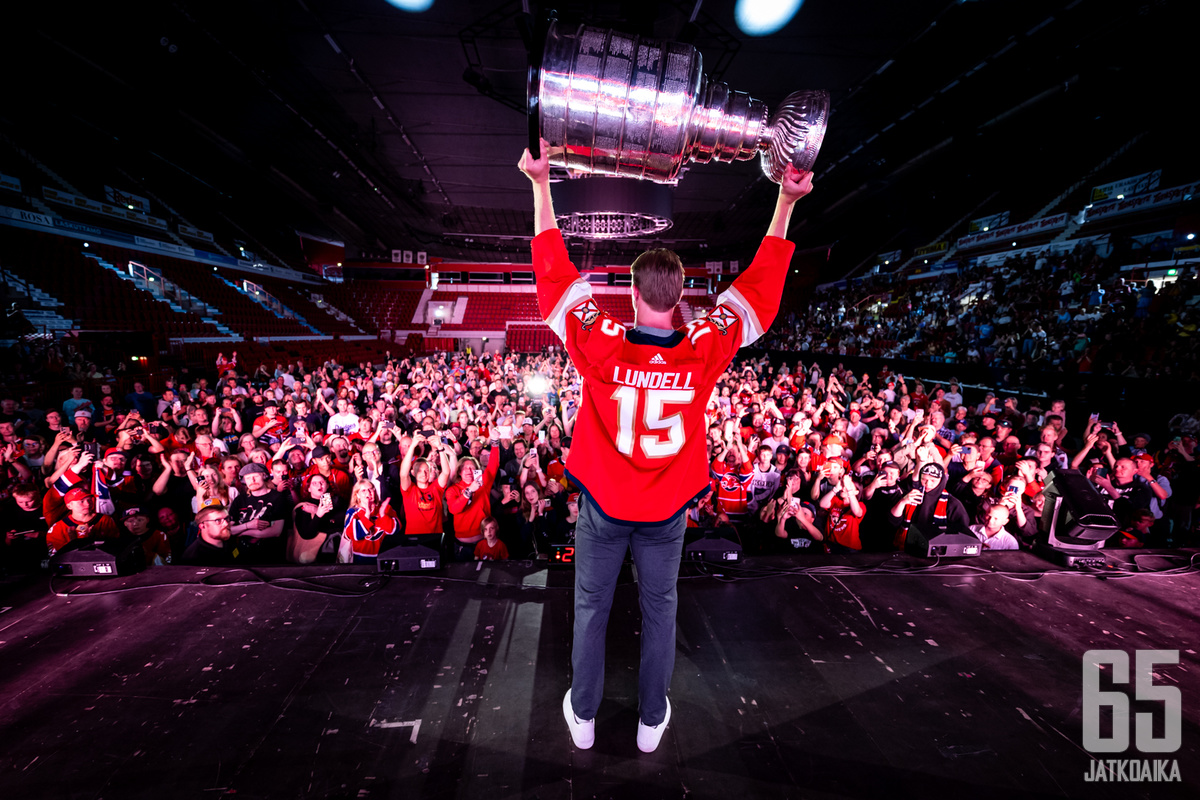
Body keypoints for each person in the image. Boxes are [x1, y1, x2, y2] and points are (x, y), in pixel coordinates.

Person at [520, 138, 812, 752]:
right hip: (668, 511)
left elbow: (553, 276)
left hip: (603, 507)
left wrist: (542, 185)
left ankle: (586, 715)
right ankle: (653, 719)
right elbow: (757, 292)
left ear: (630, 294)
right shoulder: (705, 343)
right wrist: (784, 200)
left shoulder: (600, 340)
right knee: (661, 610)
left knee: (592, 610)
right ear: (680, 298)